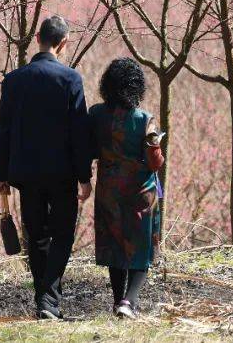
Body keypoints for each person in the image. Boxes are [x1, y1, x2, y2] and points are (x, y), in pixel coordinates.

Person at [0, 15, 92, 320]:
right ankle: (48, 302)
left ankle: (45, 302)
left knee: (35, 235)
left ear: (37, 38)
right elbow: (79, 131)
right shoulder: (70, 79)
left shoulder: (14, 80)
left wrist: (1, 175)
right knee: (62, 235)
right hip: (62, 174)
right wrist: (84, 176)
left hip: (26, 174)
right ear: (63, 43)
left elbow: (3, 130)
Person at [89, 58, 164, 319]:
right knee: (140, 248)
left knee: (114, 245)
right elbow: (155, 163)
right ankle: (129, 302)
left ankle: (116, 301)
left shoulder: (96, 114)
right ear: (137, 87)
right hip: (140, 193)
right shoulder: (145, 119)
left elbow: (89, 149)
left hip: (108, 190)